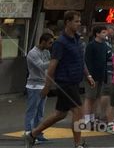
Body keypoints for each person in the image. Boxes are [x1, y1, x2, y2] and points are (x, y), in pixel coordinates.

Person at [25, 11, 97, 148]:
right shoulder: (60, 43)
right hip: (65, 82)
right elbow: (52, 66)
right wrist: (47, 86)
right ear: (67, 22)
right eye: (76, 21)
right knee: (78, 111)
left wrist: (88, 75)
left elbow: (80, 61)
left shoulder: (77, 39)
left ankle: (32, 134)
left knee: (60, 114)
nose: (79, 24)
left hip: (75, 82)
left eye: (79, 21)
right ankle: (78, 144)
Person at [24, 32, 53, 143]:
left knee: (40, 112)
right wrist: (54, 61)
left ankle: (37, 133)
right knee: (32, 111)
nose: (50, 45)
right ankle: (28, 133)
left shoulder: (46, 52)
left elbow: (48, 68)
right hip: (34, 85)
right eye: (49, 43)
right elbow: (41, 66)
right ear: (43, 41)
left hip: (43, 84)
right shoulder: (33, 53)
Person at [82, 25, 109, 129]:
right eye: (103, 32)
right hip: (92, 75)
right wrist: (89, 75)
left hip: (101, 75)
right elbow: (87, 61)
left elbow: (105, 61)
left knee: (97, 97)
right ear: (97, 34)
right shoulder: (91, 45)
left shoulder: (105, 45)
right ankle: (86, 119)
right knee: (89, 97)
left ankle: (93, 117)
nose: (105, 34)